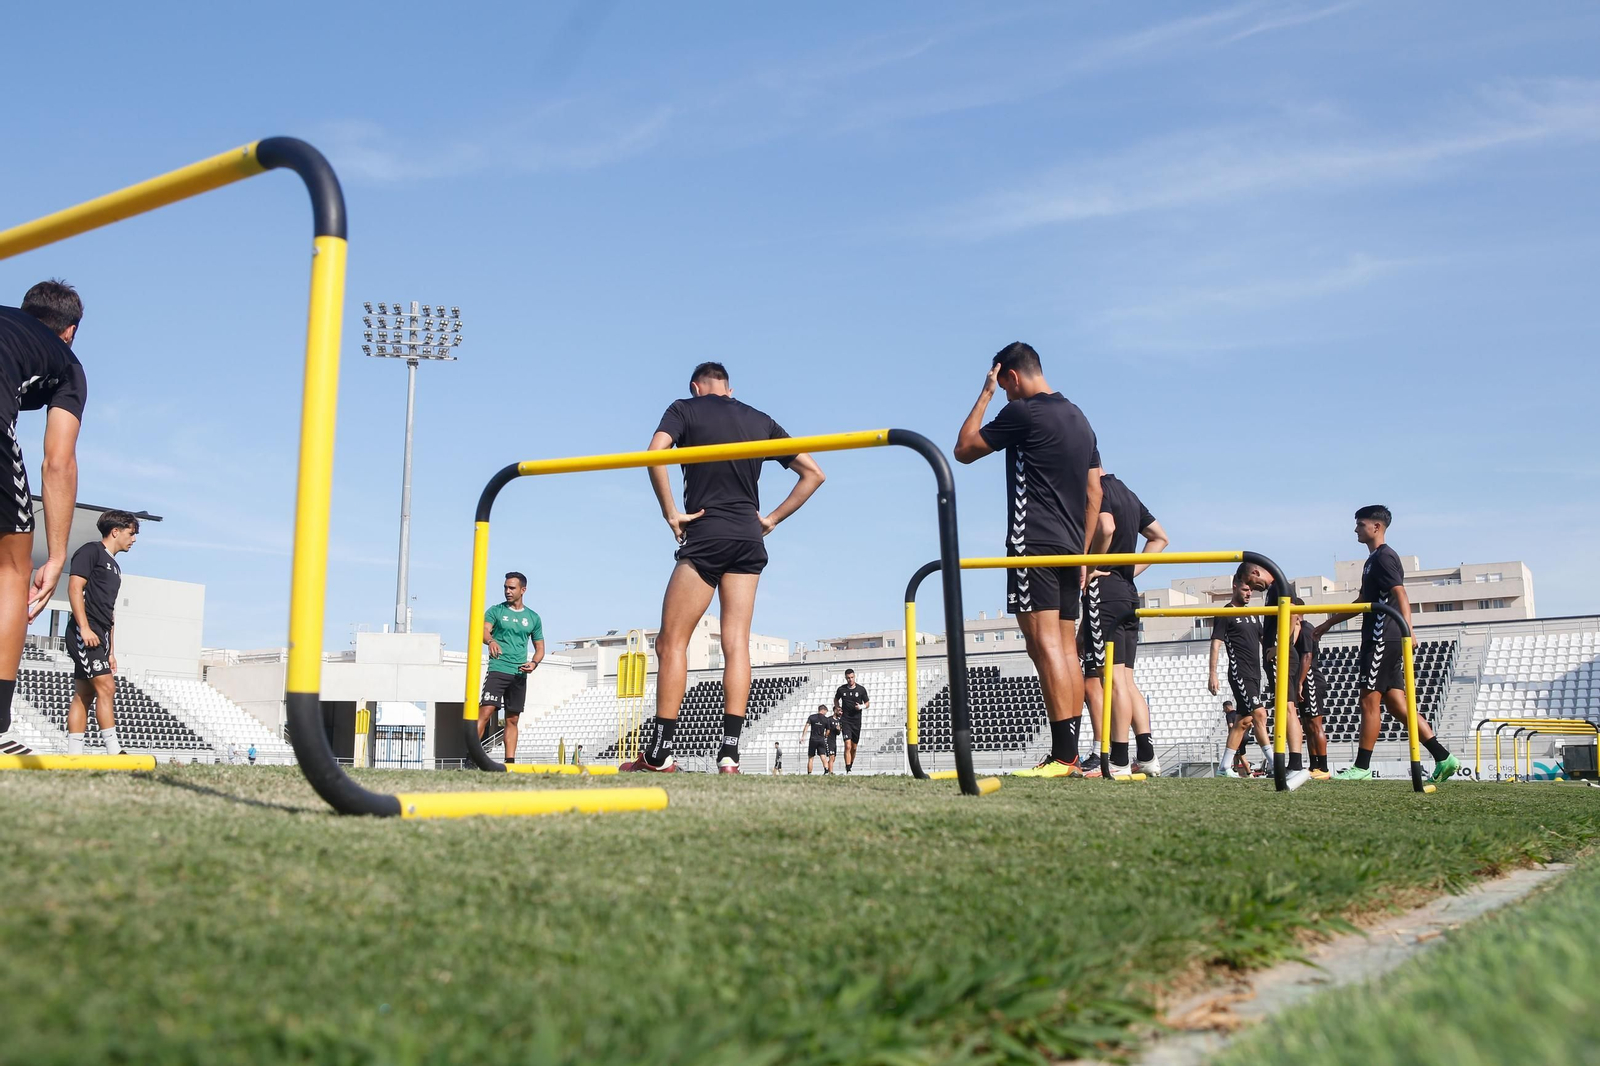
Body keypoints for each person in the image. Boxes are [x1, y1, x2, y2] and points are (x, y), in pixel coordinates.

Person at [624, 362, 825, 774]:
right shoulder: (760, 418)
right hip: (748, 537)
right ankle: (729, 754)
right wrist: (770, 519)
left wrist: (671, 513)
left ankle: (660, 755)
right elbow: (814, 474)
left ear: (696, 386)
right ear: (729, 389)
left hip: (707, 530)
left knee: (671, 643)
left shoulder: (684, 409)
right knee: (737, 643)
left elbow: (653, 453)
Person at [955, 343, 1101, 778]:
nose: (1003, 397)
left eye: (1003, 388)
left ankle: (1064, 756)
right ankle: (1069, 753)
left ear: (1012, 377)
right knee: (1064, 648)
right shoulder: (1080, 417)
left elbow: (963, 449)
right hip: (1070, 547)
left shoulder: (1025, 412)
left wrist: (983, 395)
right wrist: (1083, 554)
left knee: (1045, 647)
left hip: (1031, 542)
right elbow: (1095, 493)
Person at [0, 282, 86, 753]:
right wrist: (56, 556)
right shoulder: (66, 360)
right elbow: (58, 461)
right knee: (12, 569)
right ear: (69, 330)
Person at [1316, 506, 1458, 783]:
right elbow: (1361, 603)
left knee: (1369, 700)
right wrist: (1328, 624)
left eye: (1360, 524)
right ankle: (1444, 757)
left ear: (1376, 527)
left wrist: (1408, 631)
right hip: (1380, 635)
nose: (1355, 529)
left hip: (1383, 636)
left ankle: (1362, 767)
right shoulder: (1371, 561)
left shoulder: (1384, 557)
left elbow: (1400, 593)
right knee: (1396, 704)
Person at [1078, 473, 1167, 779]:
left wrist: (1094, 567)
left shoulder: (1096, 490)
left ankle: (1117, 759)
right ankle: (1147, 757)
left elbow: (1106, 527)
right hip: (1127, 592)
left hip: (1105, 591)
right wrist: (1129, 571)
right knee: (1127, 681)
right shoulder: (1127, 492)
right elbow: (1160, 538)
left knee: (1113, 681)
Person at [63, 510, 138, 754]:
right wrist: (84, 628)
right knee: (106, 687)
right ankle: (114, 750)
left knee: (84, 694)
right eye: (131, 533)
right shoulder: (90, 551)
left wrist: (111, 651)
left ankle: (74, 756)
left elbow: (111, 611)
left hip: (102, 635)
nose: (134, 539)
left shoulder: (115, 567)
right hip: (85, 630)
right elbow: (74, 587)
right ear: (115, 531)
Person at [478, 571, 544, 764]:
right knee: (486, 711)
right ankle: (472, 757)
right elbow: (483, 630)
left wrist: (534, 663)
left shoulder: (533, 617)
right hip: (498, 668)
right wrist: (490, 641)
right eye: (506, 587)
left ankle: (510, 762)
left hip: (519, 674)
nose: (507, 591)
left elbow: (540, 648)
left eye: (512, 588)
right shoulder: (496, 611)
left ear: (523, 590)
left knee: (512, 719)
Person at [1291, 597, 1331, 779]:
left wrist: (1300, 682)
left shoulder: (1306, 629)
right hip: (1304, 681)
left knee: (1315, 725)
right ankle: (1314, 765)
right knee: (1307, 726)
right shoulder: (1297, 630)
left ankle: (1323, 768)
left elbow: (1307, 656)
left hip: (1311, 680)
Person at [833, 668, 870, 773]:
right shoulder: (841, 689)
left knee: (854, 748)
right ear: (846, 678)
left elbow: (867, 703)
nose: (850, 679)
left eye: (852, 677)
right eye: (848, 678)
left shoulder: (861, 689)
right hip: (845, 720)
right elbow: (836, 699)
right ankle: (848, 769)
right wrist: (838, 708)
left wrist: (861, 707)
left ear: (854, 677)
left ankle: (851, 764)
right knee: (847, 745)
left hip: (856, 721)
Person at [803, 705, 833, 774]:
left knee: (811, 758)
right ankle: (826, 770)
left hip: (813, 739)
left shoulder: (812, 717)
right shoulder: (826, 719)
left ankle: (809, 773)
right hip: (821, 739)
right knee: (823, 756)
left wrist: (803, 736)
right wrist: (825, 736)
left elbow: (806, 726)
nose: (826, 713)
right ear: (823, 710)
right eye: (826, 712)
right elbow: (828, 730)